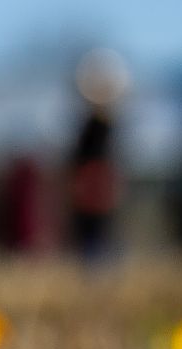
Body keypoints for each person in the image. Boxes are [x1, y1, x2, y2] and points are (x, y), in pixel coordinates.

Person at [68, 49, 129, 262]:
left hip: (99, 195)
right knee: (91, 242)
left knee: (100, 242)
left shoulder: (107, 127)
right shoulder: (91, 127)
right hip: (91, 195)